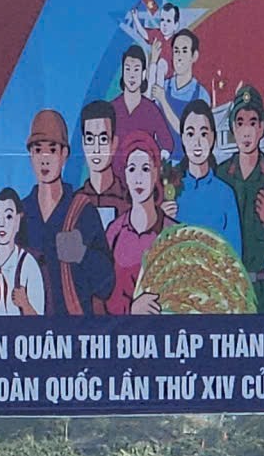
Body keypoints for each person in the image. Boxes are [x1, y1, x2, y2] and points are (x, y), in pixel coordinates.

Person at [17, 108, 112, 316]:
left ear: (64, 154)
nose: (44, 159)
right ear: (30, 155)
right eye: (37, 150)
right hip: (29, 329)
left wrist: (82, 255)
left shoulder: (82, 211)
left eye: (52, 150)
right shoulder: (19, 214)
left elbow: (107, 284)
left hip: (75, 328)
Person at [216, 84, 264, 312]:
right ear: (232, 128)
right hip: (228, 289)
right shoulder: (219, 177)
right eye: (240, 123)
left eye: (252, 122)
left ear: (262, 128)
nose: (246, 132)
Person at [162, 99, 243, 257]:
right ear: (183, 138)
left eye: (204, 134)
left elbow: (235, 254)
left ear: (213, 137)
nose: (197, 142)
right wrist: (160, 218)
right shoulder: (170, 189)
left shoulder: (225, 193)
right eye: (190, 134)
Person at [102, 144, 167, 315]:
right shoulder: (114, 233)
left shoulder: (173, 232)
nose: (138, 178)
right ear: (125, 175)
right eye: (132, 169)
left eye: (145, 169)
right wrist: (131, 309)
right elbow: (103, 294)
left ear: (156, 173)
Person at [109, 46, 181, 182]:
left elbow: (167, 144)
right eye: (127, 69)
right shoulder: (112, 108)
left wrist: (155, 165)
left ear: (143, 74)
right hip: (115, 181)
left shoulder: (151, 109)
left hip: (142, 181)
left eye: (136, 69)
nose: (131, 75)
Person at [0, 187, 46, 316]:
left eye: (8, 216)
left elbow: (41, 322)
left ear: (18, 221)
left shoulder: (28, 264)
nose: (1, 224)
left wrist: (25, 305)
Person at [158, 28, 212, 117]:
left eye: (184, 51)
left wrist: (163, 100)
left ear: (194, 56)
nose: (179, 57)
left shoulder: (201, 95)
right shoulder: (163, 86)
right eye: (176, 51)